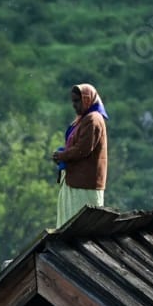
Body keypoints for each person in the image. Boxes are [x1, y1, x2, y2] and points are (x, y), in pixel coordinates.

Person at [52, 83, 108, 226]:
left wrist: (62, 156)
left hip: (84, 185)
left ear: (88, 99)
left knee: (80, 226)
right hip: (75, 181)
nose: (74, 105)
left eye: (77, 101)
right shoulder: (82, 119)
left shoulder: (93, 119)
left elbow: (83, 149)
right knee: (68, 224)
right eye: (73, 101)